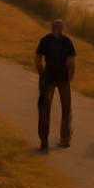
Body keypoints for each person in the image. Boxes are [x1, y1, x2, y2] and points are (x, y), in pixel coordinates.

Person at [34, 19, 77, 150]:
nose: (58, 30)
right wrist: (69, 78)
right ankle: (65, 139)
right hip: (62, 78)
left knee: (45, 109)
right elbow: (71, 63)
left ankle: (44, 141)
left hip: (49, 77)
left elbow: (37, 60)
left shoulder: (45, 40)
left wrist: (42, 74)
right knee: (66, 108)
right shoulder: (67, 41)